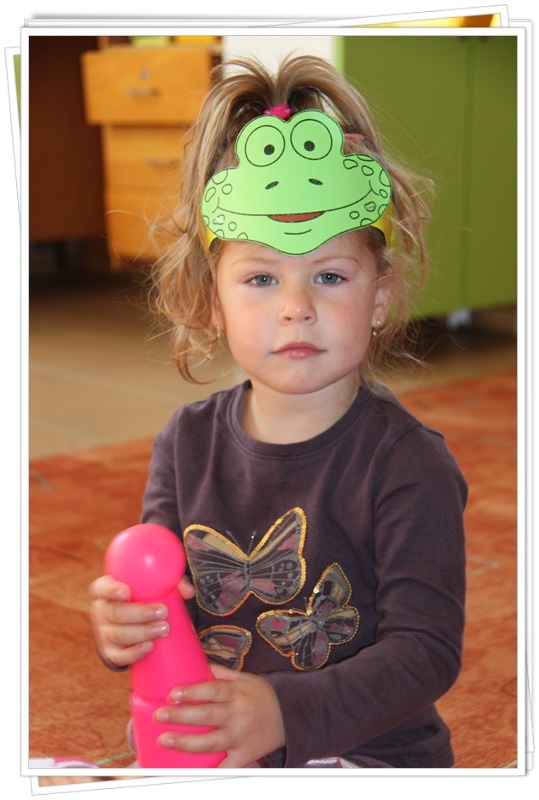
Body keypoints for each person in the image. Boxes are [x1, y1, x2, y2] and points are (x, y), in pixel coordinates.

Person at [90, 55, 467, 770]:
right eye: (261, 278)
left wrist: (283, 713)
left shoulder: (408, 464)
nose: (296, 306)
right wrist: (125, 628)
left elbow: (426, 652)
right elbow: (162, 601)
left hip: (365, 755)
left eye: (329, 276)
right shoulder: (184, 441)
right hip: (215, 745)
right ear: (214, 302)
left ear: (380, 297)